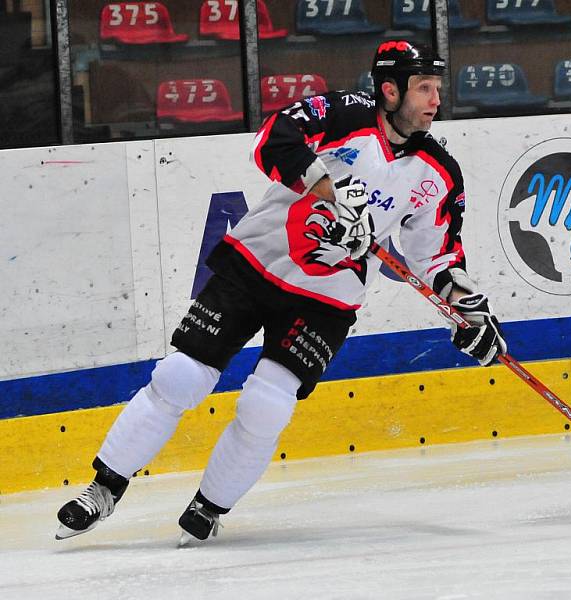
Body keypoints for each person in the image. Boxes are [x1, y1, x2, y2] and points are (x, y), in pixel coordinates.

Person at [55, 39, 507, 543]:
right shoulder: (342, 113)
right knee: (181, 376)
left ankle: (209, 505)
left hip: (329, 294)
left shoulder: (439, 171)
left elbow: (436, 256)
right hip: (259, 260)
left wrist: (467, 308)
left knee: (268, 403)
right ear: (389, 89)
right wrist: (329, 193)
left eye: (437, 88)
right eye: (424, 88)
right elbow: (274, 138)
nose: (435, 100)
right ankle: (104, 488)